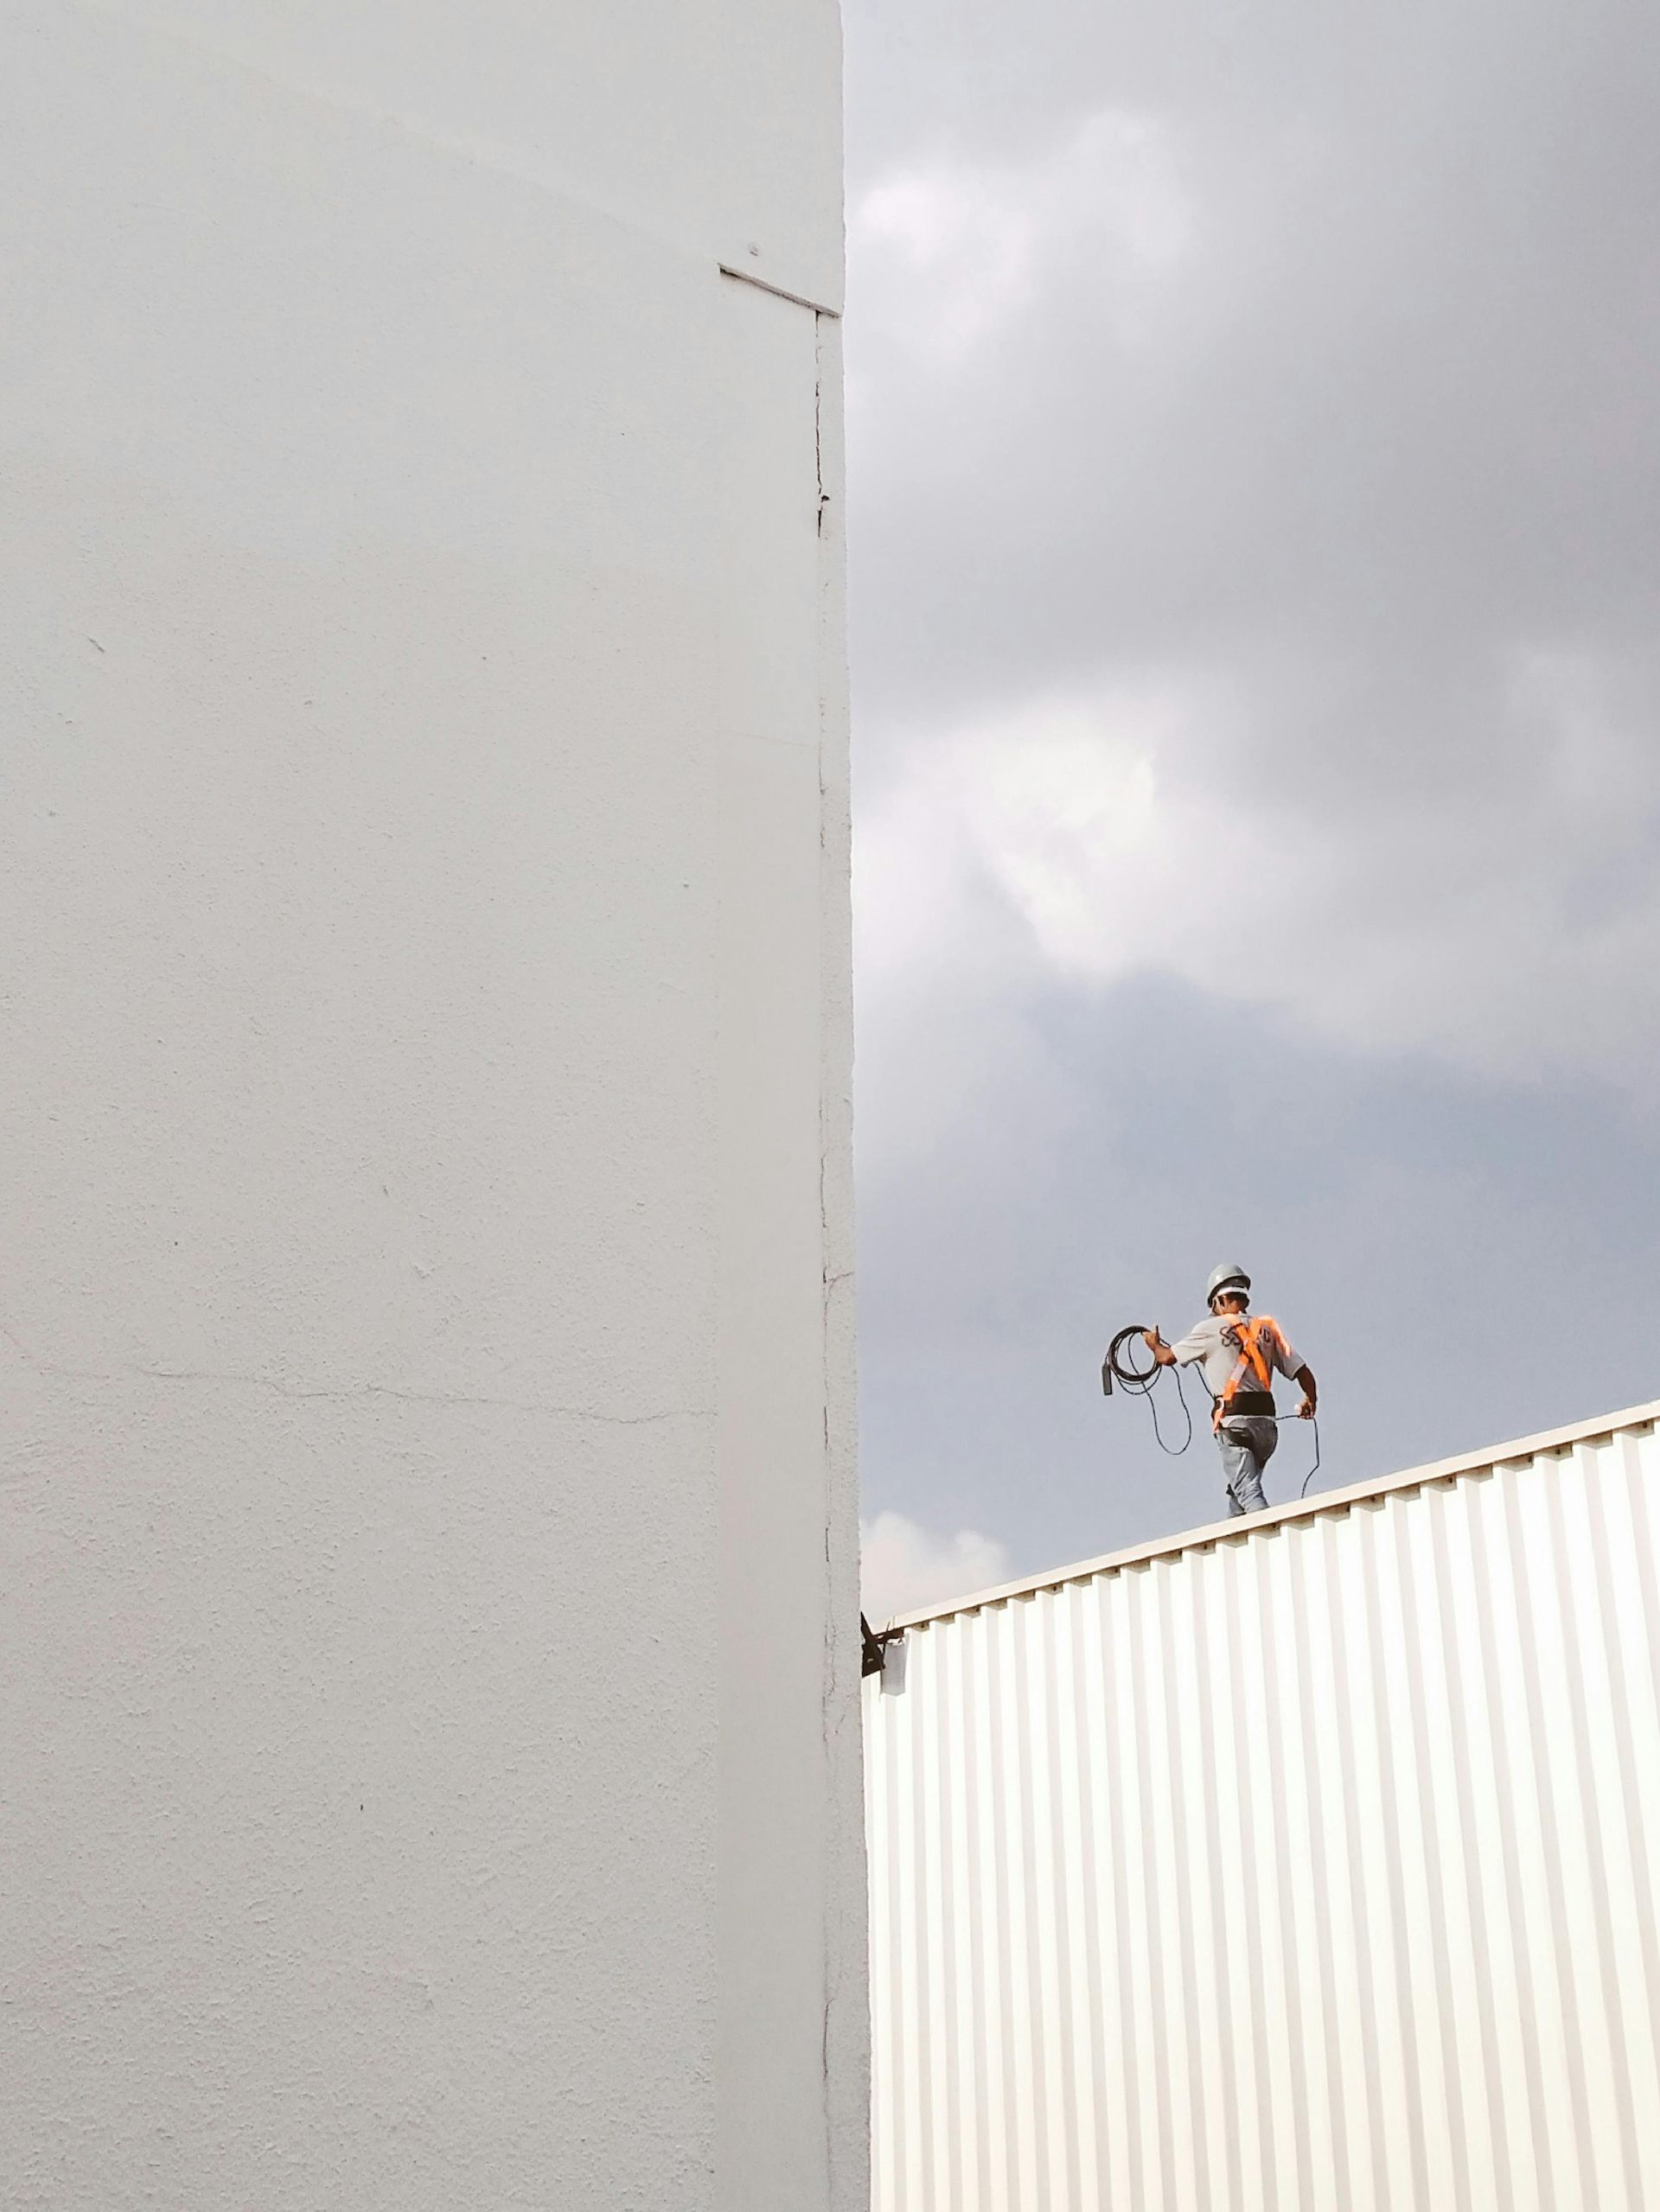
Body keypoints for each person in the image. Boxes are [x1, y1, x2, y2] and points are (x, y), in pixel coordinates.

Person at [1142, 1264, 1317, 1516]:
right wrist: (1310, 1399)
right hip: (1267, 1426)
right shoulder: (1266, 1330)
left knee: (1248, 1491)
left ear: (1220, 1299)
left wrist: (1154, 1344)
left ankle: (1271, 1538)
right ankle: (1236, 1548)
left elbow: (1166, 1357)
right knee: (1240, 1494)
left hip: (1235, 1422)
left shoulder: (1209, 1329)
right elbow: (1303, 1372)